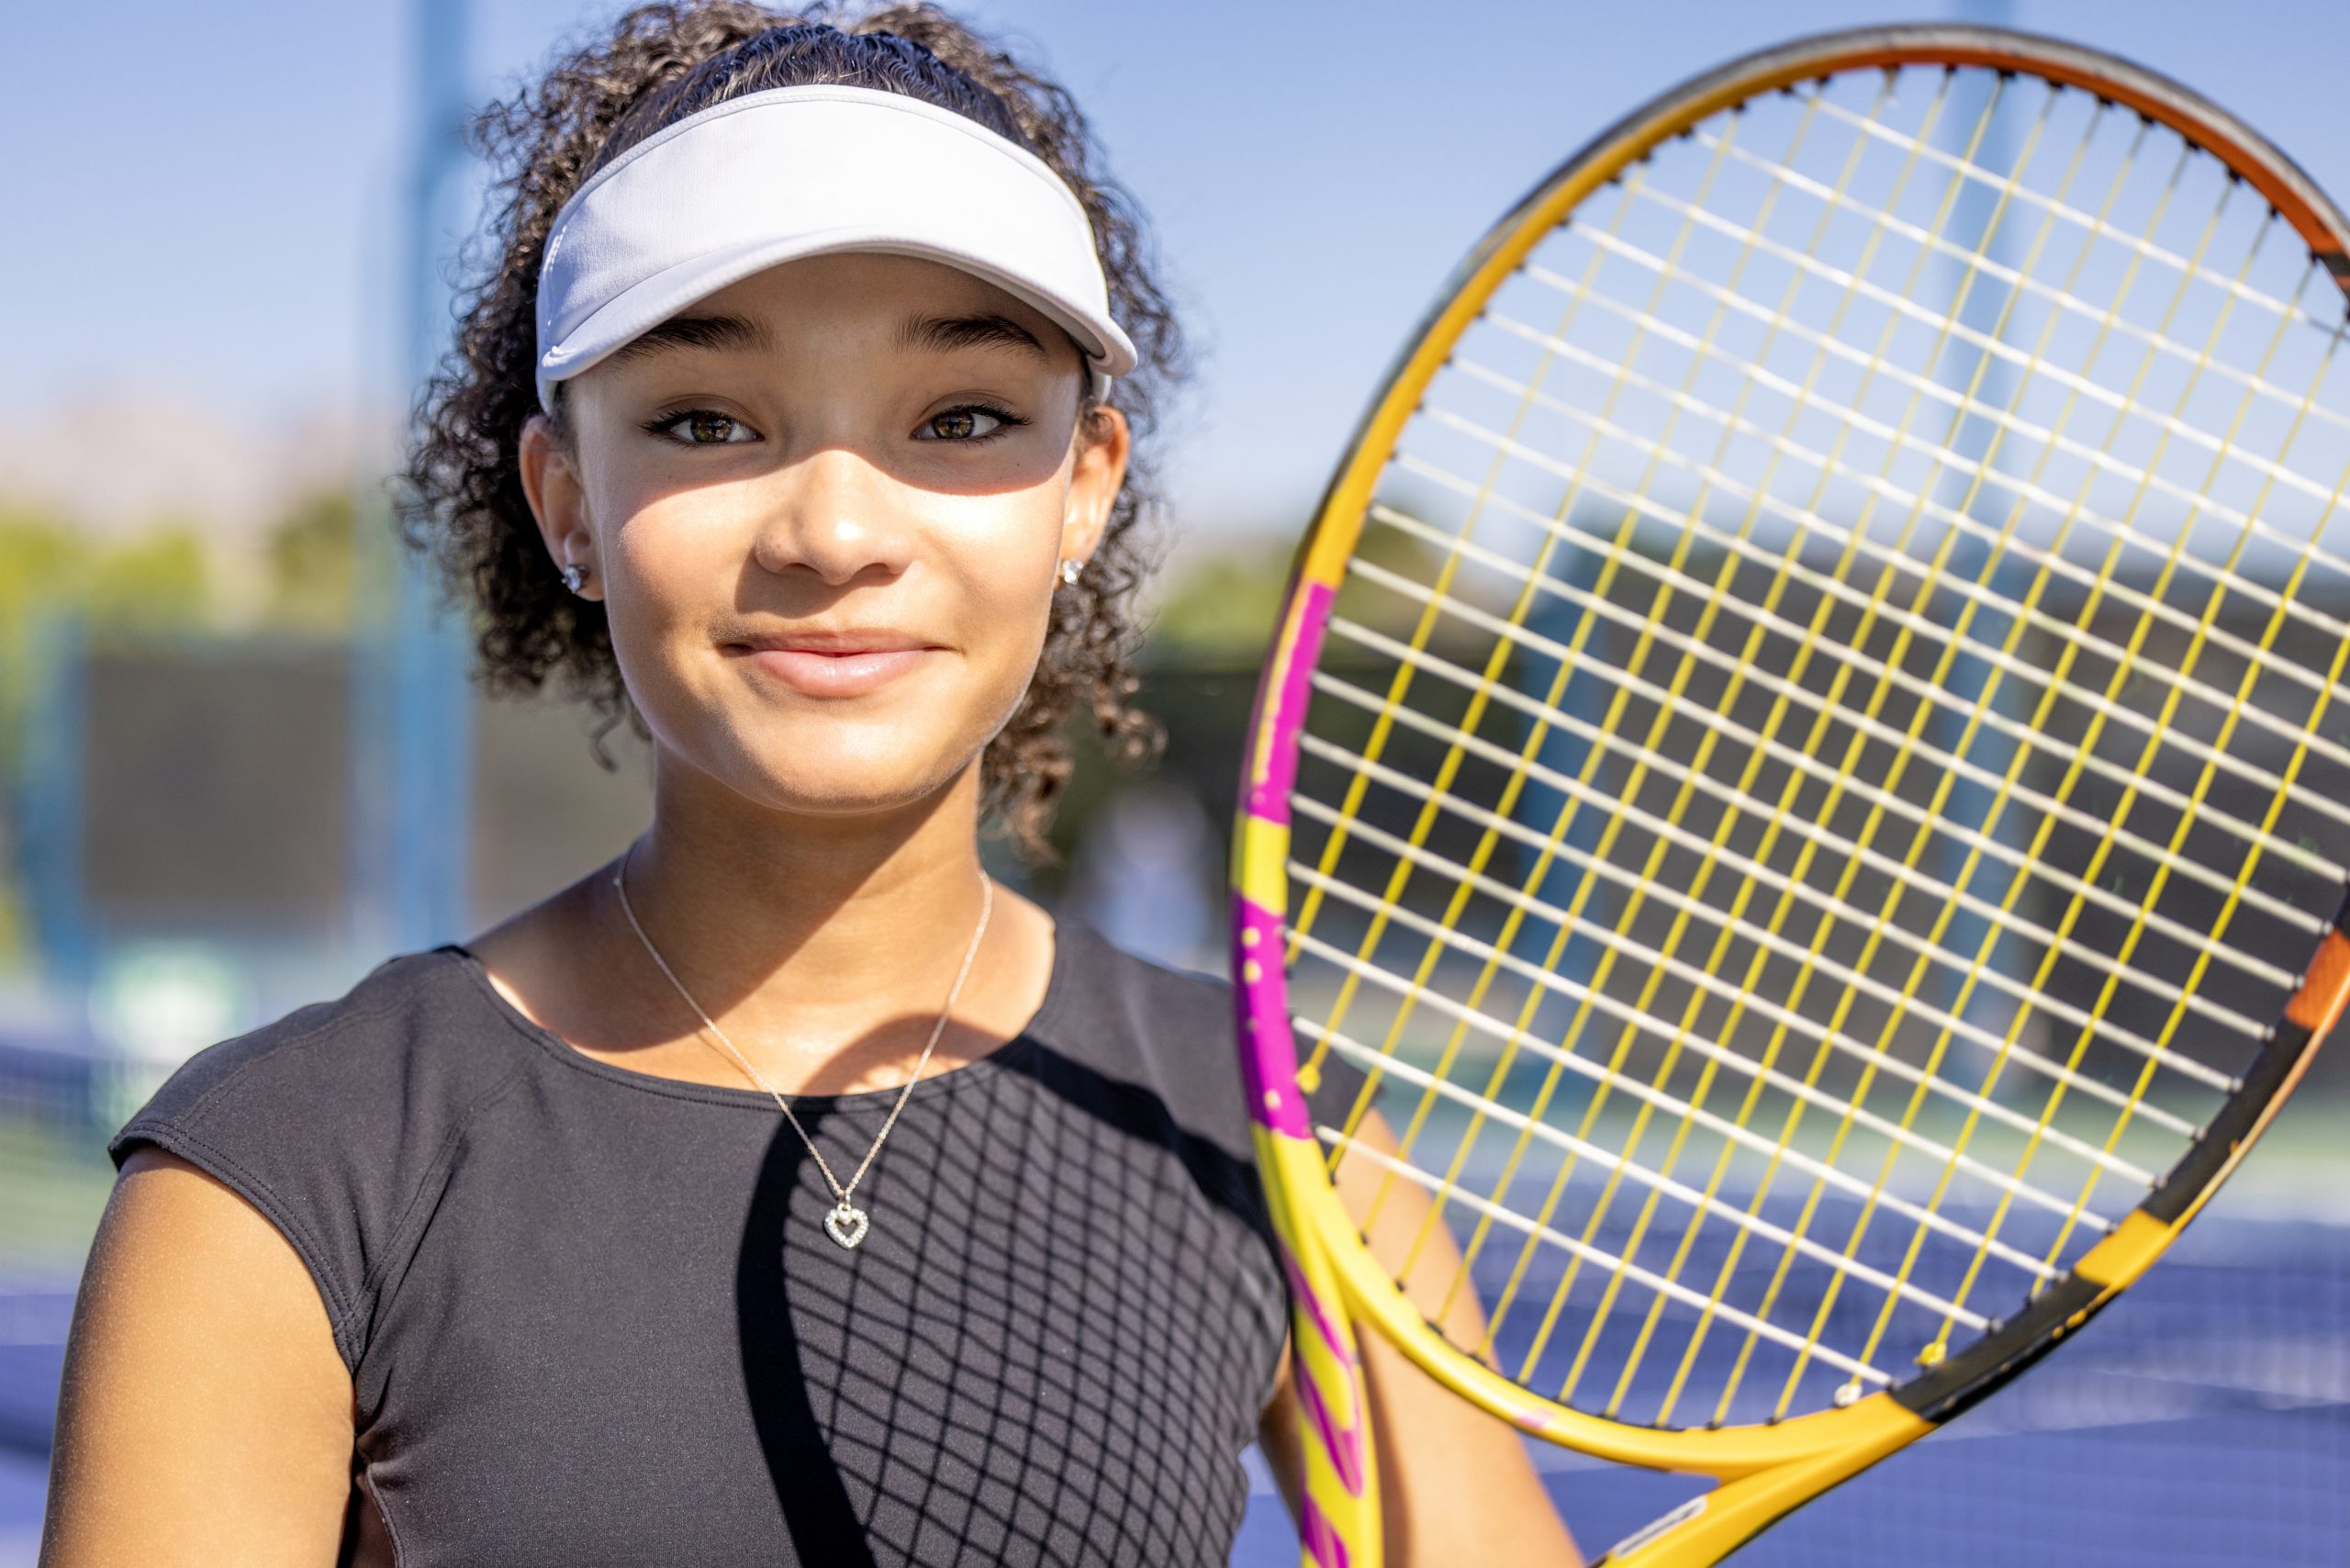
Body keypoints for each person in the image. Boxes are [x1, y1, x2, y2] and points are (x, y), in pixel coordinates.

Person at [39, 6, 1575, 1563]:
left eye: (961, 420)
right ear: (567, 501)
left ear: (1085, 490)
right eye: (706, 422)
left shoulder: (1287, 1136)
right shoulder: (283, 1175)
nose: (835, 533)